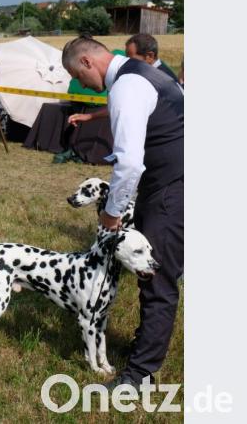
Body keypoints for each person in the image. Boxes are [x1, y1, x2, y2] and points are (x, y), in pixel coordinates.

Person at [61, 35, 184, 390]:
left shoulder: (127, 87)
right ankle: (145, 347)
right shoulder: (151, 74)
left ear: (86, 62)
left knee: (156, 280)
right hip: (170, 183)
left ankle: (139, 375)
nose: (85, 86)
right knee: (152, 276)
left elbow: (129, 163)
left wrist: (112, 214)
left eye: (80, 77)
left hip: (170, 190)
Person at [67, 34, 180, 126]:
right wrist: (90, 116)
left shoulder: (153, 79)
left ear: (149, 56)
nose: (125, 62)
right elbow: (120, 106)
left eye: (130, 59)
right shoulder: (149, 76)